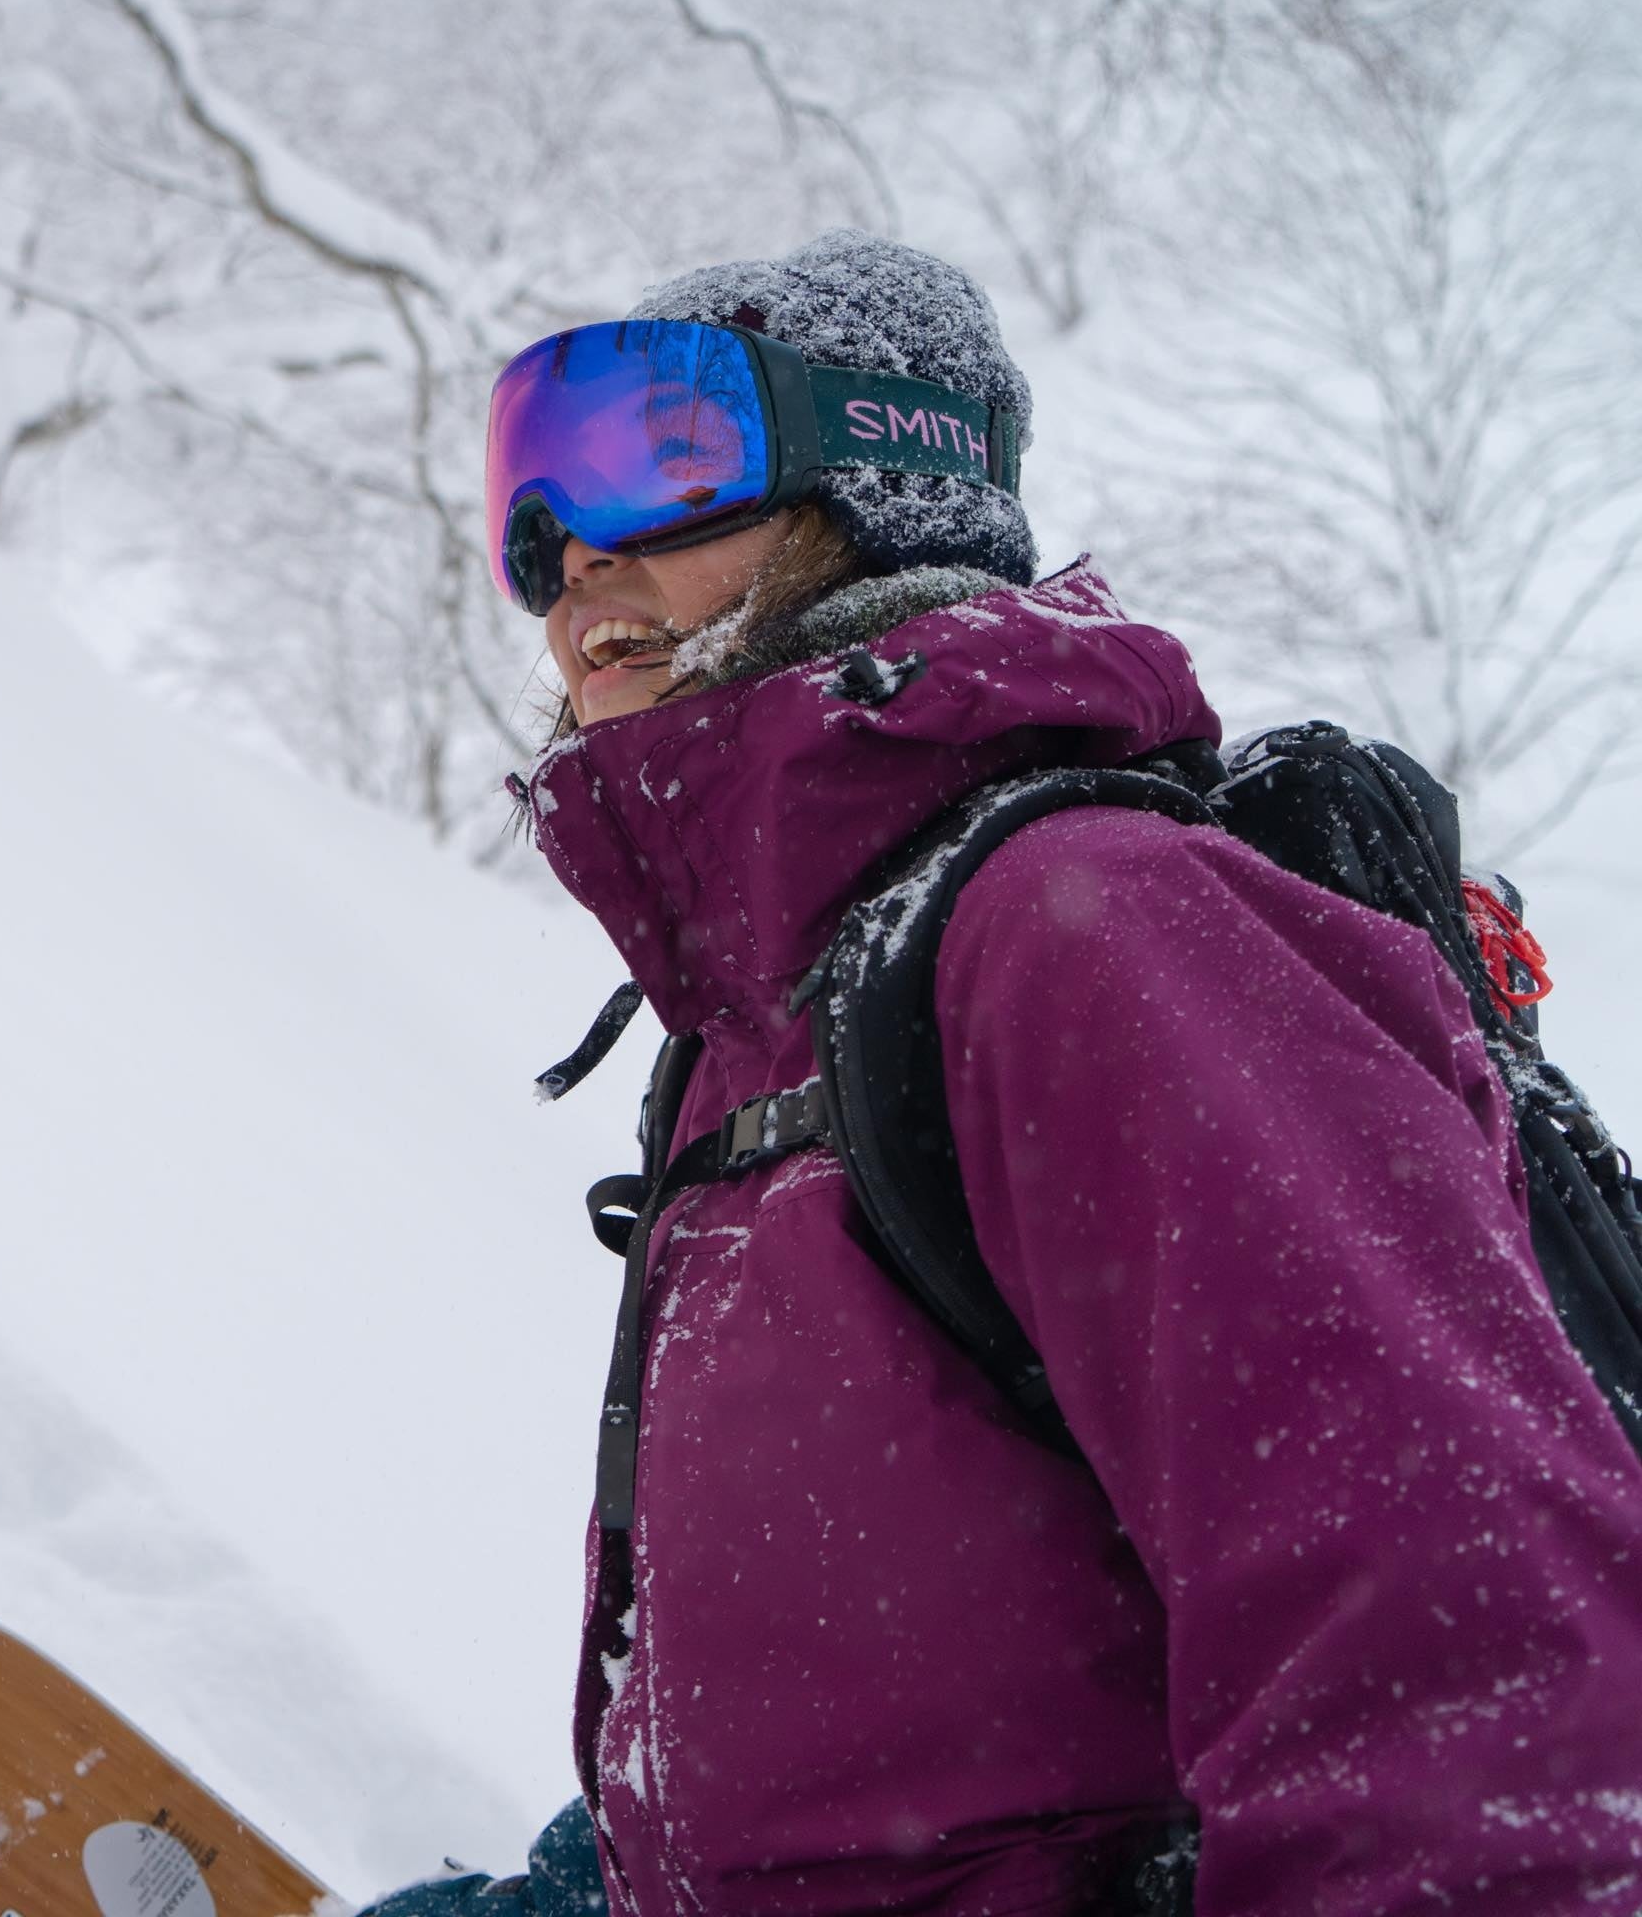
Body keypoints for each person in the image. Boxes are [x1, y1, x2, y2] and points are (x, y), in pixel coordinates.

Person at [371, 231, 1642, 1916]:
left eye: (650, 453)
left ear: (882, 473)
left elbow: (1474, 1681)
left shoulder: (1090, 929)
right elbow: (922, 1732)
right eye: (526, 496)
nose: (566, 558)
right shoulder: (759, 1031)